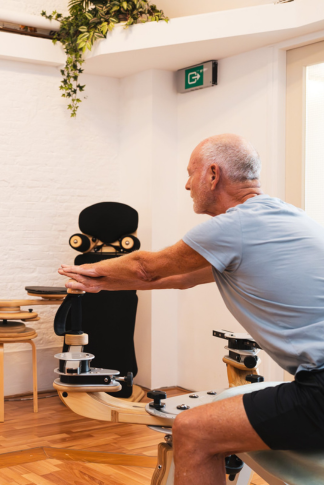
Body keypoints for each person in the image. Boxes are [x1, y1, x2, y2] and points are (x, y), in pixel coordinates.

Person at [58, 134, 324, 485]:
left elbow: (147, 267)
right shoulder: (284, 216)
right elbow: (180, 278)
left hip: (318, 389)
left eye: (190, 173)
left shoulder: (233, 226)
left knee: (193, 430)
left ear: (212, 175)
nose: (186, 184)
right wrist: (100, 283)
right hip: (314, 381)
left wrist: (85, 270)